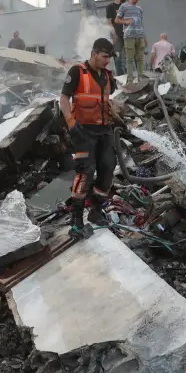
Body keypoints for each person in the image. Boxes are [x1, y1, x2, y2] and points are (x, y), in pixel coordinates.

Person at [59, 38, 121, 239]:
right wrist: (70, 122)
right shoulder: (77, 72)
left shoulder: (108, 76)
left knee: (108, 169)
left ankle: (96, 210)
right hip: (82, 131)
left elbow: (107, 100)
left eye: (109, 58)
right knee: (86, 172)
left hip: (104, 131)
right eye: (104, 57)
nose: (107, 61)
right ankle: (76, 220)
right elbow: (63, 99)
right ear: (94, 53)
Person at [114, 0, 146, 80]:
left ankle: (140, 76)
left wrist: (144, 37)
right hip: (129, 37)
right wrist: (126, 21)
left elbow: (141, 23)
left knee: (140, 58)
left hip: (140, 36)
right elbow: (116, 20)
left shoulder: (140, 9)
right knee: (130, 59)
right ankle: (130, 78)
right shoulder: (123, 7)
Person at [104, 0, 127, 76]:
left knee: (129, 56)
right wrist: (114, 34)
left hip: (126, 34)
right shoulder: (110, 7)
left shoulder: (124, 6)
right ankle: (119, 76)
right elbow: (109, 22)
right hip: (117, 35)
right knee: (117, 57)